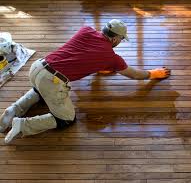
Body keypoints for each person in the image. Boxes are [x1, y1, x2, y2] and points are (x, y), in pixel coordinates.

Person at [0, 19, 170, 144]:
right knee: (66, 119)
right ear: (114, 39)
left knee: (40, 91)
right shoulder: (111, 57)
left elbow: (83, 54)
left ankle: (13, 109)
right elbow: (134, 75)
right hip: (52, 80)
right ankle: (22, 124)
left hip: (38, 67)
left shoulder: (85, 30)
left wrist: (102, 66)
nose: (120, 42)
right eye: (121, 39)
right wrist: (154, 74)